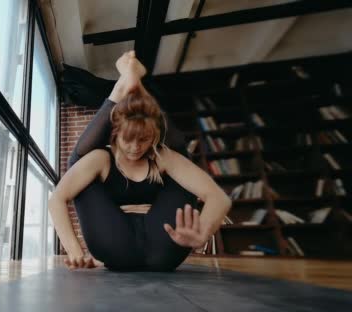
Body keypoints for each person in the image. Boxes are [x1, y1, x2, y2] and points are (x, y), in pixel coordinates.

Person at [48, 51, 231, 271]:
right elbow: (57, 198)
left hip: (163, 251)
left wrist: (203, 231)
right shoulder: (101, 158)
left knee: (178, 154)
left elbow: (219, 197)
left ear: (152, 137)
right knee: (80, 163)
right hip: (115, 248)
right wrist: (74, 250)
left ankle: (129, 82)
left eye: (144, 140)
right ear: (114, 135)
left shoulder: (162, 156)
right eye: (128, 140)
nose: (135, 148)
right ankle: (132, 83)